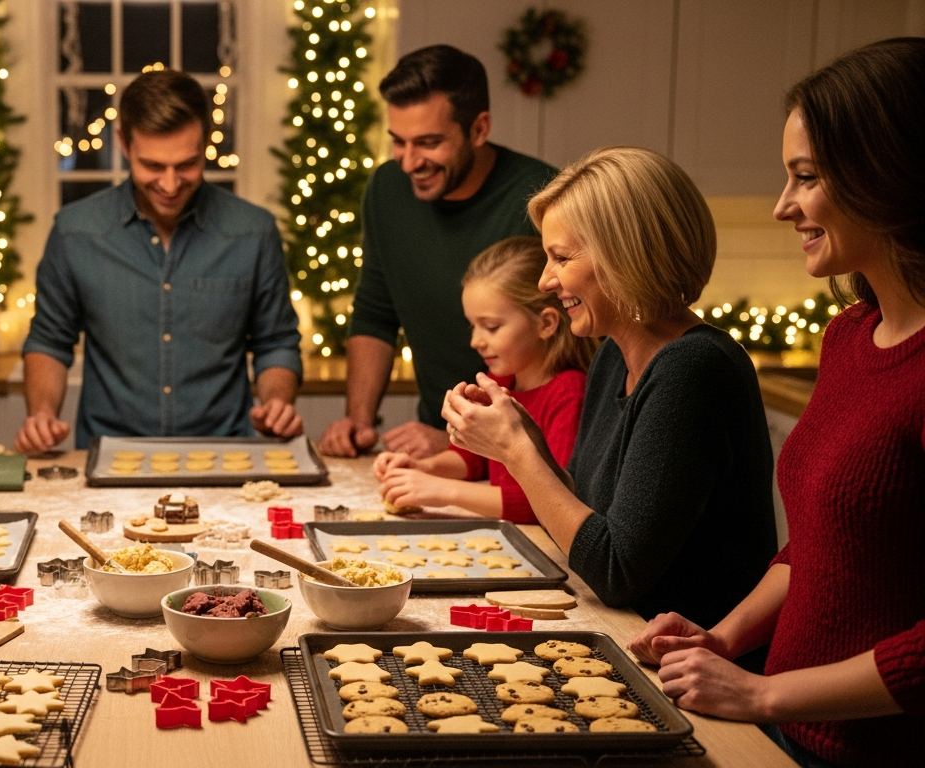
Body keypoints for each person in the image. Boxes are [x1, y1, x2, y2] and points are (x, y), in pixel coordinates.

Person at [629, 39, 925, 768]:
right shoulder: (852, 335)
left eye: (806, 177)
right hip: (792, 733)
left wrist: (762, 694)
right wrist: (722, 640)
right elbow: (819, 547)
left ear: (883, 174)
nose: (783, 205)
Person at [442, 146, 779, 636]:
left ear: (626, 256)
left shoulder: (693, 369)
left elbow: (616, 570)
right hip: (626, 635)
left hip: (690, 664)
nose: (545, 279)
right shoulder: (613, 355)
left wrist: (515, 452)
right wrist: (524, 435)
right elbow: (587, 507)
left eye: (560, 257)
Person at [17, 69, 303, 452]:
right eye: (152, 166)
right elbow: (50, 342)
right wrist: (42, 413)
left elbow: (276, 342)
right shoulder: (75, 233)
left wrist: (277, 404)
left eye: (187, 164)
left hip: (227, 456)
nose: (170, 185)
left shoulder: (253, 232)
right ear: (123, 143)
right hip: (109, 454)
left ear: (206, 142)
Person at [319, 44, 558, 460]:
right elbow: (375, 312)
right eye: (398, 142)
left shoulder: (543, 200)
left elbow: (567, 356)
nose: (409, 162)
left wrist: (466, 439)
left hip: (524, 451)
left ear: (479, 129)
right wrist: (358, 420)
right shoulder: (386, 191)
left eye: (428, 143)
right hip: (437, 441)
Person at [373, 237, 592, 520]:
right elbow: (476, 458)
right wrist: (424, 469)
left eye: (491, 327)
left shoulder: (569, 393)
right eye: (473, 325)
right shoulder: (503, 381)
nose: (476, 341)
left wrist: (443, 491)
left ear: (546, 323)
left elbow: (555, 501)